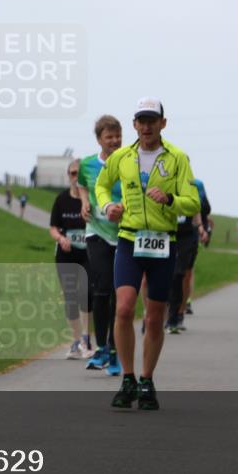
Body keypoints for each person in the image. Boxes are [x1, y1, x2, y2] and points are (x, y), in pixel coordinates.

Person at [95, 97, 200, 410]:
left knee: (155, 319)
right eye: (141, 120)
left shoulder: (178, 158)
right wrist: (107, 206)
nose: (146, 126)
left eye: (152, 120)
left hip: (163, 242)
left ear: (163, 124)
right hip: (129, 240)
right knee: (124, 309)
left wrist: (169, 199)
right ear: (135, 125)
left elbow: (192, 202)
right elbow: (101, 185)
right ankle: (127, 378)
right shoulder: (122, 157)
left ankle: (147, 379)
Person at [76, 115, 123, 375]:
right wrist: (84, 202)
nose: (115, 141)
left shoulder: (128, 161)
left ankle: (114, 349)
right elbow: (82, 185)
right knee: (102, 288)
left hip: (124, 233)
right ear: (99, 139)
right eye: (110, 137)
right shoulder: (87, 164)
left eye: (118, 136)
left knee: (119, 292)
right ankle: (102, 347)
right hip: (96, 231)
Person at [49, 160, 94, 360]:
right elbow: (52, 228)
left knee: (87, 293)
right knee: (70, 297)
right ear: (68, 175)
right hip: (66, 254)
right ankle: (76, 342)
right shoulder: (61, 200)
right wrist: (60, 238)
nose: (76, 178)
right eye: (73, 173)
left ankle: (86, 338)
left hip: (88, 253)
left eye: (79, 174)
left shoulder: (90, 199)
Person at [166, 178, 210, 334]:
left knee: (179, 274)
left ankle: (175, 316)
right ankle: (159, 313)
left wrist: (201, 228)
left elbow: (197, 209)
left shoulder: (192, 187)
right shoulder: (164, 183)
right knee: (165, 275)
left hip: (186, 236)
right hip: (166, 233)